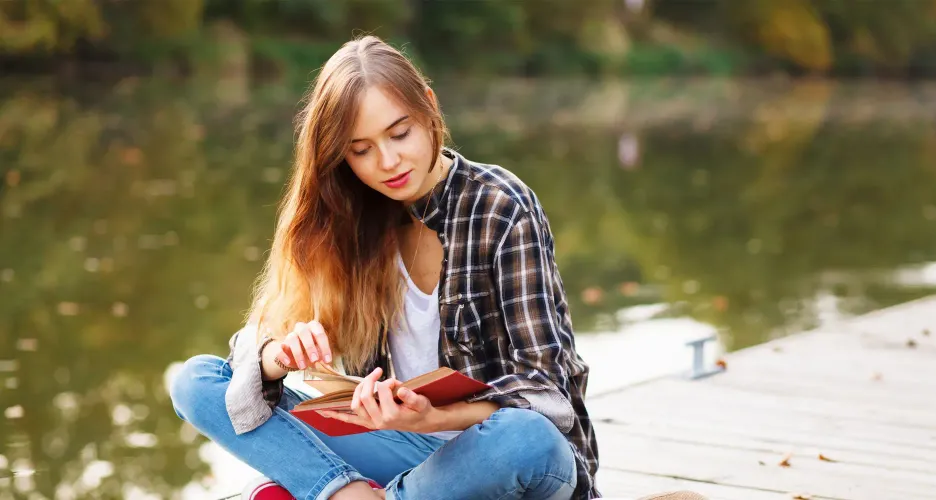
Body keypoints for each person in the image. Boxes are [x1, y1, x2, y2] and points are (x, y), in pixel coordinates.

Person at [169, 35, 705, 500]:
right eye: (360, 150)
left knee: (525, 437)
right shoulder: (348, 224)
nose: (388, 162)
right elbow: (246, 359)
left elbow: (547, 396)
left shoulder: (500, 205)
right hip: (405, 460)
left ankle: (329, 492)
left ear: (428, 108)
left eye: (399, 133)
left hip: (509, 465)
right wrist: (275, 360)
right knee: (196, 381)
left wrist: (434, 417)